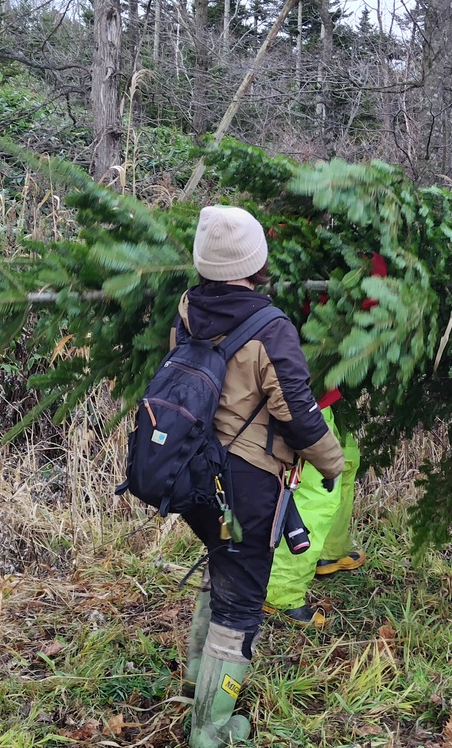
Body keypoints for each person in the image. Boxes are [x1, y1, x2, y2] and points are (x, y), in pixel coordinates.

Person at [176, 205, 346, 748]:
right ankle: (210, 727)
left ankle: (193, 686)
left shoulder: (187, 307)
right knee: (242, 603)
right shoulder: (270, 328)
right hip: (246, 481)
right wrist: (331, 461)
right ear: (256, 260)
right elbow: (296, 410)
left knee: (218, 567)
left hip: (195, 470)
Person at [262, 392, 365, 628]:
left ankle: (328, 552)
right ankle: (279, 593)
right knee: (315, 492)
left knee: (346, 462)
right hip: (304, 402)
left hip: (326, 400)